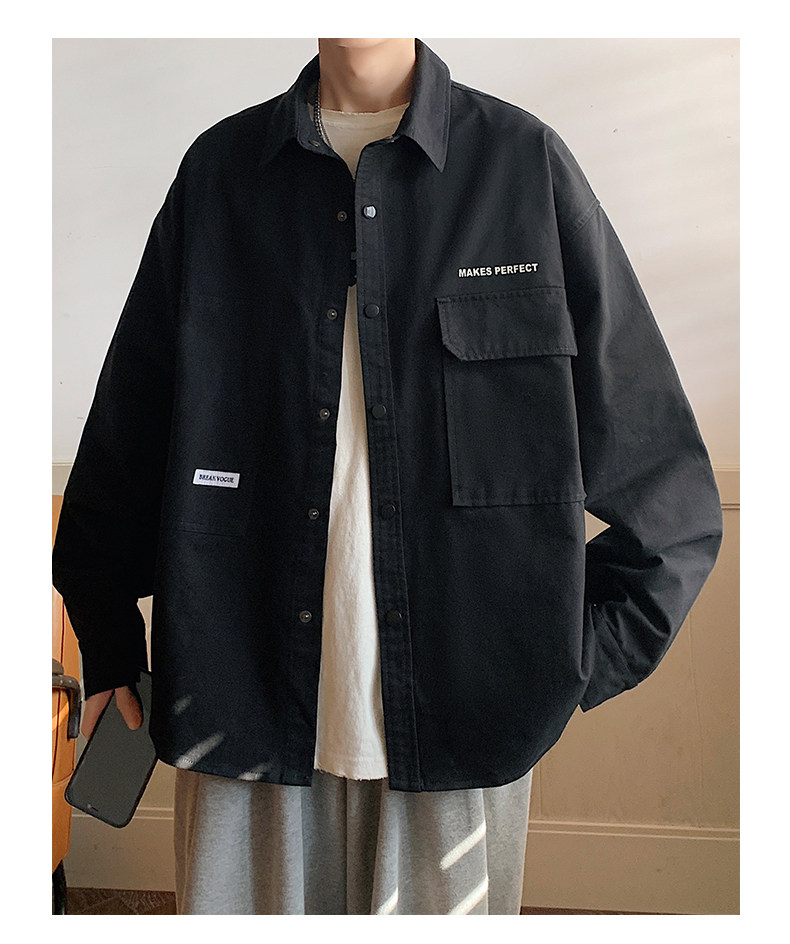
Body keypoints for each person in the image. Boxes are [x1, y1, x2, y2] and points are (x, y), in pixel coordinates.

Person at [53, 38, 723, 914]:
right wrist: (105, 637)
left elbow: (669, 493)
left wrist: (560, 665)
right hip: (241, 695)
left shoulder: (522, 166)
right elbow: (129, 427)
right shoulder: (220, 176)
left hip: (466, 717)